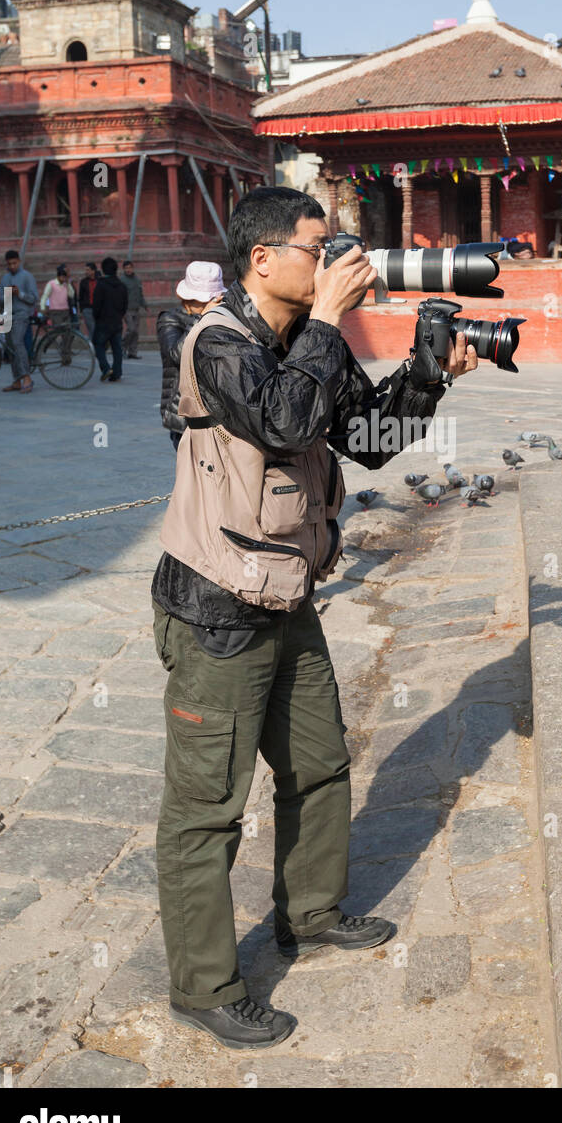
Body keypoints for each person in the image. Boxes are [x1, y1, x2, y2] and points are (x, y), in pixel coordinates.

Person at [151, 186, 477, 1051]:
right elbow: (281, 416)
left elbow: (365, 438)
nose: (331, 260)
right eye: (316, 246)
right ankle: (204, 985)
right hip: (216, 609)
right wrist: (333, 321)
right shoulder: (214, 342)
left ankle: (311, 911)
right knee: (207, 807)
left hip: (288, 595)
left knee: (321, 764)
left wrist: (428, 373)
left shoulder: (305, 341)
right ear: (264, 260)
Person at [157, 261, 226, 450]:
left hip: (219, 414)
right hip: (185, 415)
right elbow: (176, 356)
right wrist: (202, 317)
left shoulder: (219, 316)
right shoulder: (170, 319)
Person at [0, 250, 38, 394]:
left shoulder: (27, 277)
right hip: (9, 314)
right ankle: (16, 380)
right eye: (9, 264)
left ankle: (27, 378)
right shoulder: (5, 278)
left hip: (22, 315)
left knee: (17, 342)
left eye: (14, 263)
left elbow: (34, 298)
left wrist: (19, 294)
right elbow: (0, 299)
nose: (12, 266)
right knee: (10, 347)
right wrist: (8, 294)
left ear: (19, 262)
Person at [92, 256, 128, 382]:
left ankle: (106, 368)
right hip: (117, 321)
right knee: (117, 348)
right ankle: (116, 373)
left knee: (98, 345)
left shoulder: (101, 285)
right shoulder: (122, 286)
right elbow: (125, 305)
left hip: (103, 321)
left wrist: (96, 317)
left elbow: (96, 305)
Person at [40, 264, 77, 363]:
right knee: (58, 331)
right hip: (55, 312)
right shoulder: (51, 284)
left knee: (67, 335)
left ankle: (66, 357)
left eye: (64, 277)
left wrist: (68, 284)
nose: (63, 279)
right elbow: (45, 296)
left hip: (65, 311)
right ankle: (46, 344)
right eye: (61, 277)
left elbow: (71, 294)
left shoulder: (66, 285)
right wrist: (43, 308)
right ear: (58, 276)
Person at [121, 259, 147, 359]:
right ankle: (122, 346)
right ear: (123, 269)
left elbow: (140, 294)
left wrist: (144, 305)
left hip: (136, 308)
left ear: (132, 268)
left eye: (130, 267)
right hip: (126, 309)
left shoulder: (137, 279)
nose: (128, 270)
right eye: (126, 268)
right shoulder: (122, 280)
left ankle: (132, 352)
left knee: (135, 332)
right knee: (131, 329)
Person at [78, 262, 99, 338]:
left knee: (97, 329)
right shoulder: (83, 282)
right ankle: (94, 348)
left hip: (99, 309)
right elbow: (80, 297)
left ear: (93, 271)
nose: (86, 272)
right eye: (85, 270)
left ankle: (93, 347)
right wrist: (82, 309)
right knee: (92, 329)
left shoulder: (100, 281)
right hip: (87, 309)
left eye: (88, 270)